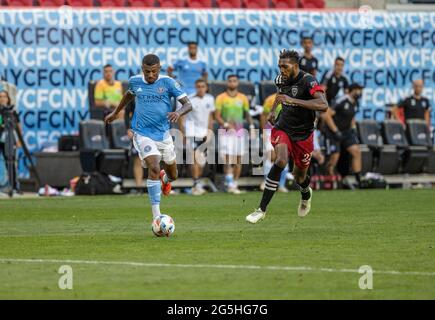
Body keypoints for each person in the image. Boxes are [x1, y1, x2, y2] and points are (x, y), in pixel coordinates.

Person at [105, 54, 192, 221]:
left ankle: (165, 180)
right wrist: (116, 112)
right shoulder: (135, 81)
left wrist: (178, 112)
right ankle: (157, 217)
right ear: (142, 70)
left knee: (173, 175)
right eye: (147, 72)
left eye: (153, 71)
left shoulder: (168, 82)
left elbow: (188, 104)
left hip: (164, 134)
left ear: (159, 68)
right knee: (153, 166)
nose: (150, 75)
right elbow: (129, 96)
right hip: (142, 133)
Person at [246, 50, 328, 223]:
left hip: (304, 134)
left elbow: (323, 105)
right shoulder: (280, 79)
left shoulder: (308, 81)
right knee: (281, 160)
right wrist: (272, 111)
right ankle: (261, 209)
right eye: (279, 66)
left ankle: (306, 193)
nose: (282, 69)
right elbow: (280, 96)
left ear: (296, 66)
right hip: (283, 128)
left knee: (299, 177)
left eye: (285, 66)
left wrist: (294, 101)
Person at [214, 75, 254, 194]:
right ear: (227, 83)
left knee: (238, 160)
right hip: (225, 132)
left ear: (237, 83)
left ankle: (234, 183)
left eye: (234, 81)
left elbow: (247, 114)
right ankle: (230, 183)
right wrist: (226, 124)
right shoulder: (221, 98)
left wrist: (251, 126)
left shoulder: (243, 98)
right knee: (228, 158)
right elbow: (217, 116)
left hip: (239, 132)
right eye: (230, 81)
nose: (232, 83)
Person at [322, 83, 364, 188]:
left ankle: (359, 180)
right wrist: (336, 131)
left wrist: (353, 129)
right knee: (334, 157)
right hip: (333, 132)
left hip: (347, 132)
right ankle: (330, 179)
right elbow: (327, 115)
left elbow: (352, 117)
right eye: (357, 90)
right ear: (351, 90)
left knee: (356, 151)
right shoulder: (342, 100)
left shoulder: (356, 103)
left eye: (360, 90)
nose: (360, 92)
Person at [178, 79, 215, 195]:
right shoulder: (190, 100)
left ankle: (197, 182)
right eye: (198, 86)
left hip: (204, 134)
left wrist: (209, 131)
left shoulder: (210, 99)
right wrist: (182, 133)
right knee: (194, 157)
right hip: (191, 132)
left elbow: (210, 117)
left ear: (206, 87)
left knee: (201, 161)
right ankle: (196, 183)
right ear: (195, 87)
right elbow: (181, 117)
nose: (200, 88)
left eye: (202, 86)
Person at [260, 93, 291, 193]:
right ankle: (266, 181)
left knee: (283, 157)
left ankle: (281, 184)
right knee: (271, 156)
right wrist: (263, 131)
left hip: (285, 131)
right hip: (270, 130)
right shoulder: (270, 99)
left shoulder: (292, 98)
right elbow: (263, 115)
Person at [0, 90, 22, 194]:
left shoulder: (13, 112)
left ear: (8, 98)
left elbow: (18, 126)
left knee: (11, 162)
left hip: (9, 139)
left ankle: (13, 187)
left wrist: (19, 140)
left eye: (4, 96)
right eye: (0, 97)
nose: (2, 99)